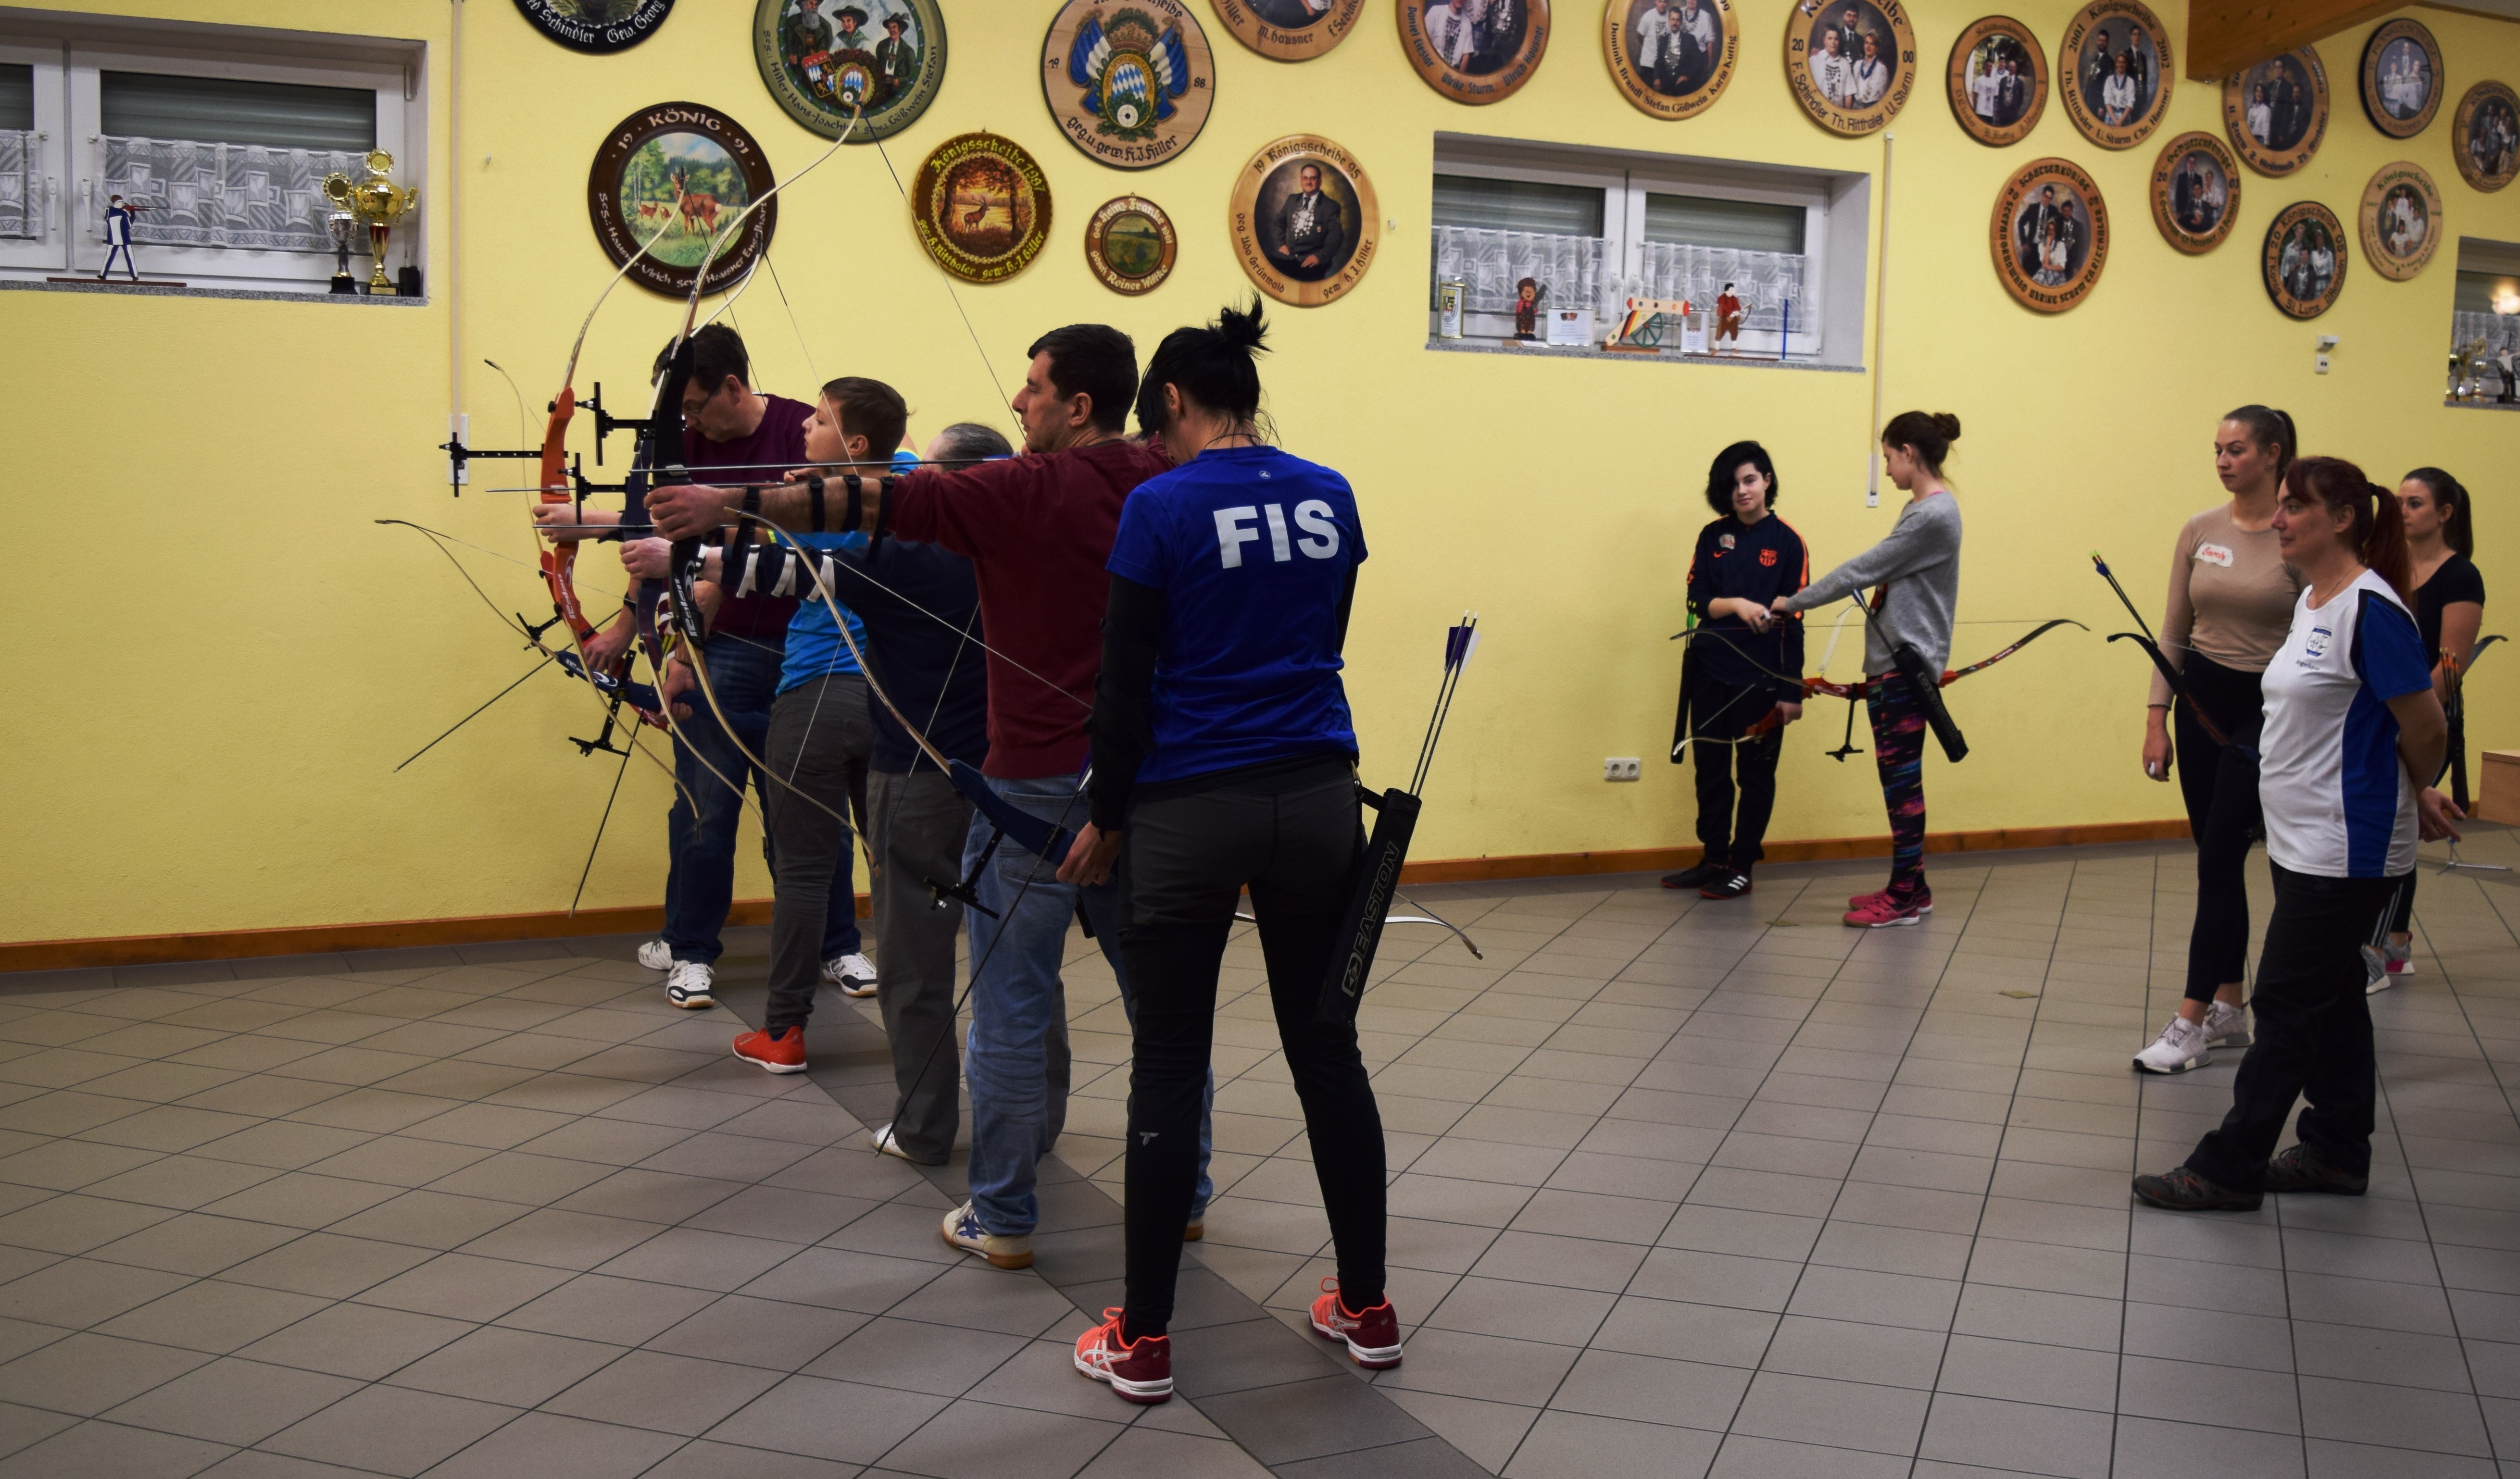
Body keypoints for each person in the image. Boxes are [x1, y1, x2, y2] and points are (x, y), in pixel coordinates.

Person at [647, 324, 1216, 1273]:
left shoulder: (1026, 488)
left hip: (1031, 783)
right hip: (1140, 782)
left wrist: (722, 500)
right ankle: (1183, 1197)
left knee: (1009, 1000)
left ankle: (1004, 1214)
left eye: (1034, 388)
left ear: (1078, 405)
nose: (1019, 400)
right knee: (1163, 1007)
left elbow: (868, 496)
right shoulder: (1165, 476)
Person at [1060, 300, 1397, 1406]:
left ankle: (1143, 1339)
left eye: (1152, 423)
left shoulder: (1159, 504)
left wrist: (1106, 816)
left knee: (1167, 1057)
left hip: (1186, 808)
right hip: (1317, 796)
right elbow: (1321, 638)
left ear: (1171, 400)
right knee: (1327, 1050)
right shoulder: (1330, 492)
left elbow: (1123, 683)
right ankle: (1366, 1307)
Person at [2133, 457, 2457, 1211]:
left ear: (2341, 519)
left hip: (2348, 844)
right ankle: (2336, 1153)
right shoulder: (2314, 597)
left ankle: (2229, 1167)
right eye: (2279, 505)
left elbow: (2425, 725)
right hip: (2301, 835)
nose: (2276, 519)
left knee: (2282, 1000)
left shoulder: (2371, 611)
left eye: (2293, 507)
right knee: (2333, 996)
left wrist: (2413, 788)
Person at [534, 326, 874, 1012]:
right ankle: (691, 951)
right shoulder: (677, 445)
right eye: (677, 412)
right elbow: (657, 538)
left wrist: (607, 523)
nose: (687, 422)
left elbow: (801, 528)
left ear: (733, 386)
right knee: (703, 808)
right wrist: (627, 624)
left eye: (693, 405)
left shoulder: (801, 434)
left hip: (805, 654)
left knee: (812, 813)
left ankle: (837, 943)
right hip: (714, 650)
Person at [666, 376, 884, 1075]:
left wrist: (672, 550)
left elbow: (765, 561)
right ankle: (918, 1033)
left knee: (802, 869)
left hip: (814, 695)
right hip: (886, 701)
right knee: (896, 867)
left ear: (855, 443)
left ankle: (785, 1031)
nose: (803, 430)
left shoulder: (816, 505)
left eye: (820, 421)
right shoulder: (905, 489)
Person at [2130, 407, 2302, 1074]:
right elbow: (2173, 631)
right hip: (2199, 700)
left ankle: (2190, 1021)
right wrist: (2156, 715)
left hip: (2265, 709)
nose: (2224, 461)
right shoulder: (2200, 530)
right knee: (2217, 856)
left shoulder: (2295, 534)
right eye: (2218, 450)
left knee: (2221, 857)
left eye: (2237, 449)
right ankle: (2231, 1004)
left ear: (2273, 453)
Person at [1770, 412, 1964, 928]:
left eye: (1889, 457)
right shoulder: (1919, 509)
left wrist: (1793, 602)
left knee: (1902, 783)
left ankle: (1902, 898)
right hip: (1892, 664)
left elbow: (1864, 568)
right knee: (1897, 780)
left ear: (1909, 453)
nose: (1888, 468)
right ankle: (1913, 886)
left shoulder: (1934, 515)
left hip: (1906, 666)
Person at [1664, 443, 1805, 900]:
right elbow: (1695, 598)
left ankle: (1742, 865)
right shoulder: (1712, 536)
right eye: (1732, 484)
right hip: (1708, 672)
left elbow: (1795, 620)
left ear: (1766, 480)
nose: (1741, 491)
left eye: (1749, 480)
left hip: (1762, 680)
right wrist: (1738, 605)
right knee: (1710, 771)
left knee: (1755, 776)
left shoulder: (1788, 542)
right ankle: (1713, 858)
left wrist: (1791, 692)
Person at [2368, 468, 2484, 990]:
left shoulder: (2461, 576)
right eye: (2399, 502)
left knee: (2395, 819)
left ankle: (2375, 950)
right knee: (2396, 819)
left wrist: (2407, 713)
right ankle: (2396, 940)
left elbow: (2451, 666)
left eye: (2414, 503)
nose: (2403, 511)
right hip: (2381, 709)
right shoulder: (2386, 566)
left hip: (2426, 716)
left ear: (2444, 513)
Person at [1271, 164, 1345, 283]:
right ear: (1301, 180)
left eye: (1313, 178)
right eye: (1305, 178)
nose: (1309, 182)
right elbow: (1278, 225)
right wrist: (1281, 245)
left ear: (1320, 182)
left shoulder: (1330, 206)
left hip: (1312, 262)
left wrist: (1319, 257)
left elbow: (1336, 237)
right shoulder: (1292, 200)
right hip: (1289, 257)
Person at [100, 194, 146, 282]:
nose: (122, 204)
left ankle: (103, 275)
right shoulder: (123, 213)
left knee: (110, 257)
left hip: (113, 239)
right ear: (117, 203)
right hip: (124, 239)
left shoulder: (108, 211)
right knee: (129, 258)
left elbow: (107, 218)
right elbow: (129, 226)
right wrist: (133, 215)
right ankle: (135, 276)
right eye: (121, 202)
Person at [1810, 26, 1850, 108]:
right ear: (1824, 40)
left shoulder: (1845, 64)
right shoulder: (1814, 61)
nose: (1833, 42)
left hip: (1839, 111)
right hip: (1818, 109)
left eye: (1836, 39)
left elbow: (1849, 94)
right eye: (1830, 39)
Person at [1850, 30, 1890, 106]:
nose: (1869, 47)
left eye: (1872, 44)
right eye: (1867, 43)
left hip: (1872, 107)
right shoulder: (1857, 65)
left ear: (1877, 48)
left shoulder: (1881, 68)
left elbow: (1883, 95)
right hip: (1856, 106)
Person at [875, 13, 917, 87]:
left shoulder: (908, 51)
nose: (892, 30)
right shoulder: (881, 46)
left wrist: (900, 81)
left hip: (898, 89)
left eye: (894, 27)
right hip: (882, 86)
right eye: (889, 28)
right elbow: (877, 66)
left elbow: (915, 75)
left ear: (900, 29)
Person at [2102, 50, 2137, 125]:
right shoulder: (2109, 80)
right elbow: (2107, 101)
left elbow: (2130, 102)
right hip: (2111, 116)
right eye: (2119, 62)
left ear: (2127, 65)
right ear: (2116, 64)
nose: (2121, 65)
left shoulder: (2130, 81)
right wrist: (2115, 121)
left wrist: (2120, 121)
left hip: (2124, 117)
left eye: (2123, 63)